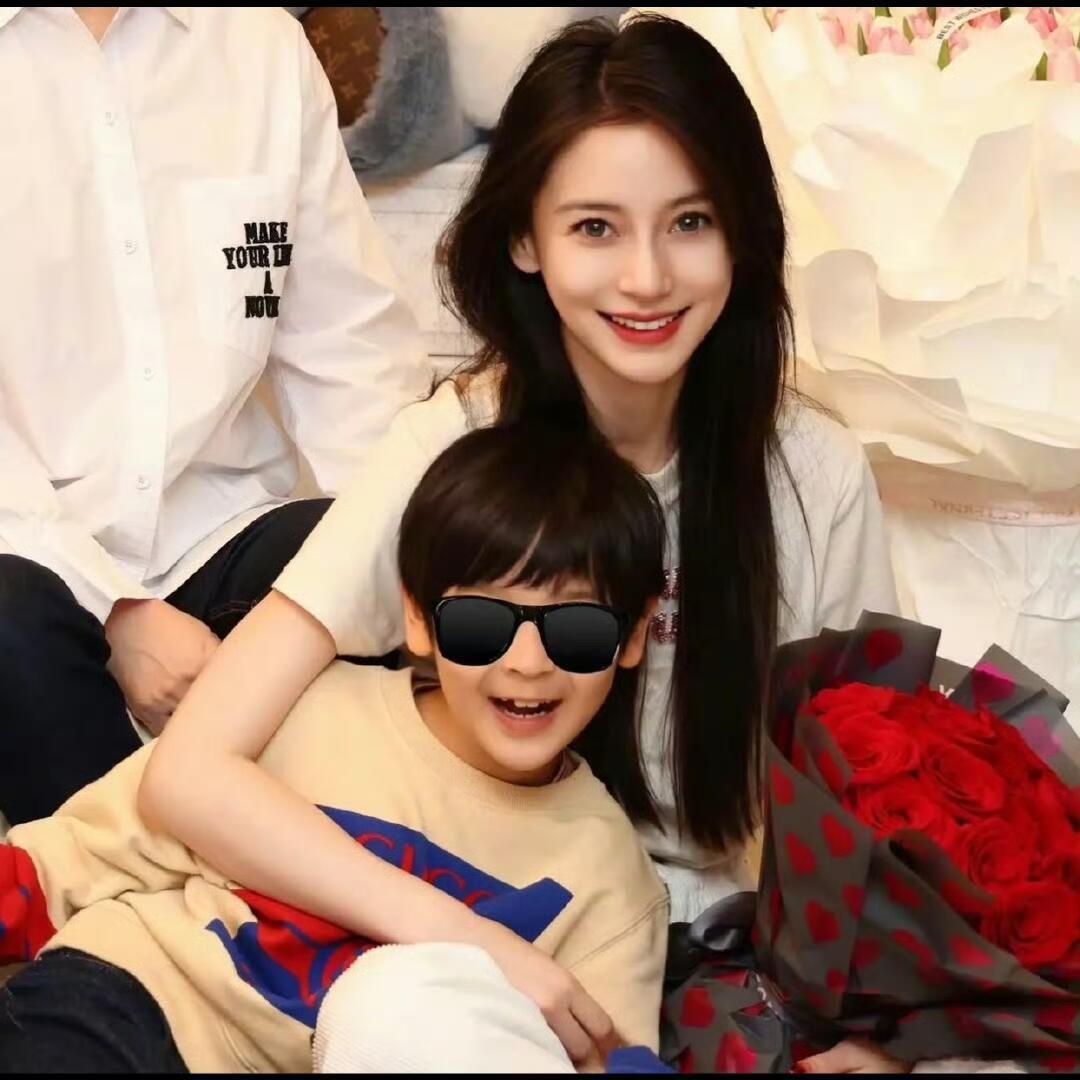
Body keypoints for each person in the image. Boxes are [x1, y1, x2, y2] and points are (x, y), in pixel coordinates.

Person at [140, 13, 904, 1072]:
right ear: (524, 240)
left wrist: (886, 1028)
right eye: (595, 228)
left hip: (712, 952)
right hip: (471, 924)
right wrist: (473, 942)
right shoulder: (450, 446)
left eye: (690, 222)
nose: (647, 278)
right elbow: (188, 773)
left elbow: (875, 795)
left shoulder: (813, 473)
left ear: (743, 234)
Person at [0, 424, 670, 1074]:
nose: (527, 663)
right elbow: (85, 852)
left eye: (577, 631)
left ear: (634, 635)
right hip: (137, 997)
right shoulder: (308, 708)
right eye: (479, 624)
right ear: (417, 618)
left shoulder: (607, 878)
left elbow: (600, 1051)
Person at [0, 5, 427, 825]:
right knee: (7, 620)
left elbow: (355, 359)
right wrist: (117, 612)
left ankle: (277, 879)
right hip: (24, 551)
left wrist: (410, 563)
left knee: (392, 557)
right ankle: (128, 891)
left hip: (215, 534)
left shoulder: (260, 47)